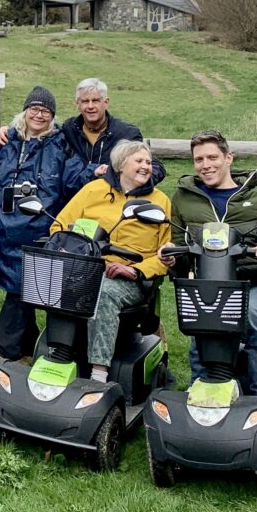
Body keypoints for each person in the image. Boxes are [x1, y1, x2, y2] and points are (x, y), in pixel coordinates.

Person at [158, 130, 257, 396]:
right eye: (199, 159)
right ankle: (200, 389)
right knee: (201, 317)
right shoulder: (184, 197)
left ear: (229, 157)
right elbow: (181, 259)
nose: (206, 165)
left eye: (212, 157)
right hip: (211, 284)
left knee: (249, 314)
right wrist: (172, 256)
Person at [0, 86, 82, 371]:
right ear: (25, 111)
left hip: (39, 230)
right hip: (3, 229)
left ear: (53, 117)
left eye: (46, 111)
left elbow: (73, 178)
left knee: (22, 287)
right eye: (34, 108)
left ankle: (3, 351)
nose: (39, 114)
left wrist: (100, 171)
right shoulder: (7, 144)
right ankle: (29, 346)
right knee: (23, 288)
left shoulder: (60, 146)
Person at [51, 140, 171, 382]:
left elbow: (164, 256)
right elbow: (59, 226)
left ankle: (98, 371)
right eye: (139, 161)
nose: (146, 167)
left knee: (105, 292)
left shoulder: (159, 201)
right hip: (86, 268)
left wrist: (136, 270)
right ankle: (57, 353)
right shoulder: (93, 190)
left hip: (130, 279)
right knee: (51, 282)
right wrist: (65, 249)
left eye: (148, 162)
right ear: (120, 165)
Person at [0, 77, 165, 187]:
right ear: (77, 104)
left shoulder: (126, 133)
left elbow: (154, 166)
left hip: (114, 202)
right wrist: (10, 131)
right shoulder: (69, 129)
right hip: (76, 202)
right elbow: (39, 129)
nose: (90, 106)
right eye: (85, 101)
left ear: (106, 102)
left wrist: (131, 181)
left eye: (96, 101)